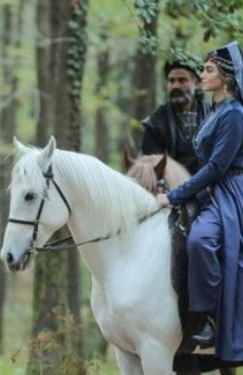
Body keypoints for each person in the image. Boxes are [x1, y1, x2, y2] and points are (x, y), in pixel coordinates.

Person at [157, 41, 243, 364]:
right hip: (211, 188)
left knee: (200, 240)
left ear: (226, 78)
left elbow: (217, 168)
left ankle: (209, 320)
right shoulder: (213, 109)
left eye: (208, 71)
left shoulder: (234, 115)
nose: (202, 75)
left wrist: (174, 194)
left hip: (230, 191)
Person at [141, 59, 210, 174]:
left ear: (196, 83)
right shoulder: (156, 122)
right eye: (171, 81)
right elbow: (150, 164)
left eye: (182, 80)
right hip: (171, 185)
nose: (175, 86)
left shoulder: (214, 115)